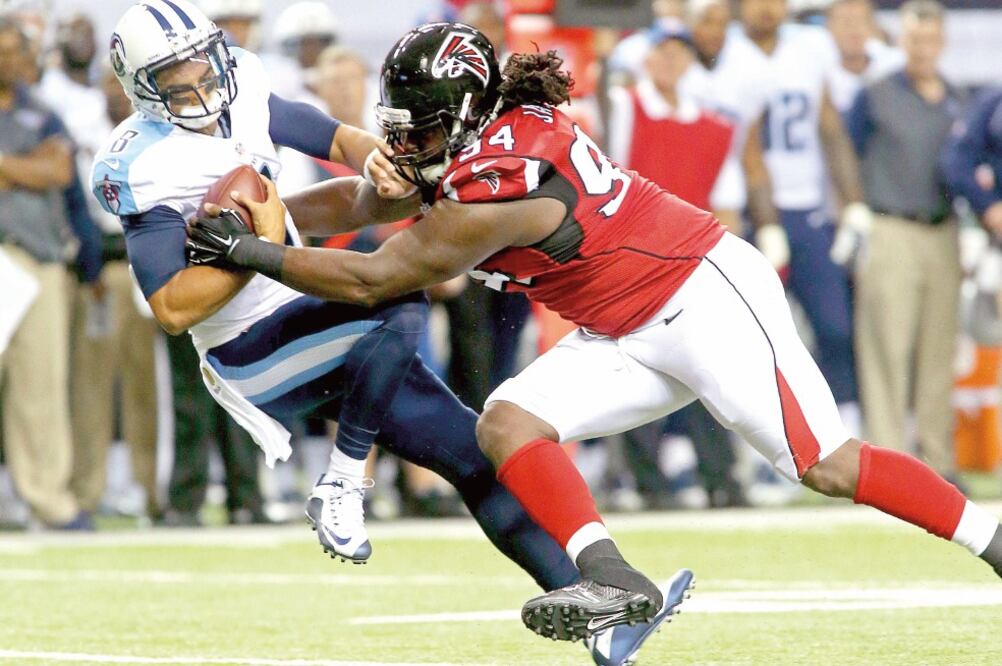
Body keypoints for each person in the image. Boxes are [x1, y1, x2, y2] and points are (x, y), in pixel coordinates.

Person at [190, 21, 1002, 643]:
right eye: (401, 127)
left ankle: (991, 537)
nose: (406, 145)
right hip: (624, 325)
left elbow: (375, 274)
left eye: (421, 130)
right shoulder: (479, 142)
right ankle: (614, 580)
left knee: (824, 465)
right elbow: (367, 204)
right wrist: (279, 215)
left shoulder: (505, 179)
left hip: (700, 297)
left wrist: (251, 249)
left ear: (466, 116)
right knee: (507, 424)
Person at [99, 7, 690, 664]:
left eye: (201, 61)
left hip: (306, 321)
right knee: (394, 292)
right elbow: (173, 309)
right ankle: (344, 482)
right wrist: (254, 248)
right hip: (250, 352)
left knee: (476, 458)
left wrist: (376, 160)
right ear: (142, 85)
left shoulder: (243, 84)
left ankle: (600, 615)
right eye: (174, 75)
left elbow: (330, 135)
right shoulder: (146, 162)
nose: (199, 81)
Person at [732, 0, 869, 435]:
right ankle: (766, 439)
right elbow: (747, 145)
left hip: (809, 210)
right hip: (750, 216)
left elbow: (829, 127)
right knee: (752, 339)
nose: (767, 8)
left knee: (835, 327)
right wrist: (767, 221)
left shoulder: (810, 48)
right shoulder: (728, 53)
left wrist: (853, 203)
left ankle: (842, 426)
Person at [845, 0, 964, 483]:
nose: (923, 49)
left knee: (938, 350)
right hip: (890, 225)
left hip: (944, 230)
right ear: (902, 41)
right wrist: (851, 212)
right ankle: (890, 466)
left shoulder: (956, 98)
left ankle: (939, 461)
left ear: (942, 42)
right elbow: (846, 154)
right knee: (886, 347)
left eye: (931, 40)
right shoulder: (875, 95)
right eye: (915, 40)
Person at [0, 17, 89, 529]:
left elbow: (57, 171)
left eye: (17, 50)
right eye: (2, 50)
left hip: (39, 258)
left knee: (42, 386)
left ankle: (51, 501)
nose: (10, 60)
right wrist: (23, 166)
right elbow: (40, 168)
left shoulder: (43, 112)